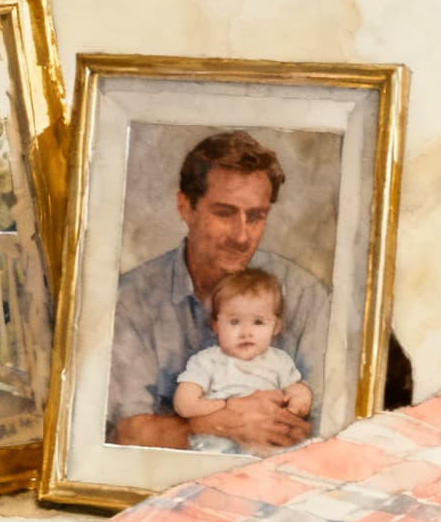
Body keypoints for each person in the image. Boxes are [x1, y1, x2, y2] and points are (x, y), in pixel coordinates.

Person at [109, 130, 329, 450]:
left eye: (255, 217)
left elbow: (332, 429)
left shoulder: (303, 294)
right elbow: (125, 435)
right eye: (225, 214)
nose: (241, 237)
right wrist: (222, 422)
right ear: (186, 208)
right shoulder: (130, 299)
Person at [172, 269, 312, 455]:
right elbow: (184, 403)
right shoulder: (207, 361)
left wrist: (300, 398)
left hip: (266, 443)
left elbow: (296, 389)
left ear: (276, 326)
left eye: (258, 322)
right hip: (218, 442)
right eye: (235, 322)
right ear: (215, 325)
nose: (246, 332)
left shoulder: (280, 361)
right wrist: (223, 405)